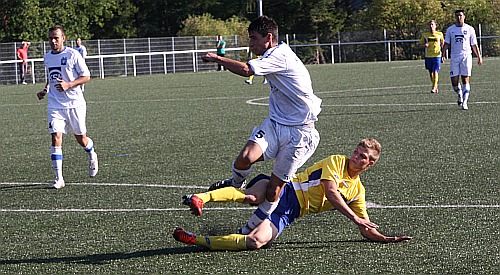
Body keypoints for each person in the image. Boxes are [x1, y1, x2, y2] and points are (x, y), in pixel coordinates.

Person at [173, 138, 412, 251]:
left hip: (290, 212)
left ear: (369, 164)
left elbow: (365, 227)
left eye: (361, 156)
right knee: (252, 197)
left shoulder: (357, 191)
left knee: (256, 241)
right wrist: (355, 218)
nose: (355, 157)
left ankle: (196, 240)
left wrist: (385, 238)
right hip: (285, 187)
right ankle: (201, 198)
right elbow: (330, 192)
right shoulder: (337, 161)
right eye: (356, 152)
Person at [200, 16, 322, 224]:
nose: (251, 43)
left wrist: (218, 59)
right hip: (276, 124)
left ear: (268, 38)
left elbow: (247, 70)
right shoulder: (272, 53)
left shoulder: (280, 55)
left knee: (274, 190)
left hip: (300, 133)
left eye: (254, 38)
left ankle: (254, 227)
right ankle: (235, 184)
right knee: (245, 157)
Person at [36, 25, 98, 189]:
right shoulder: (47, 57)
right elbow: (52, 76)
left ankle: (91, 154)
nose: (53, 41)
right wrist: (45, 90)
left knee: (81, 139)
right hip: (55, 105)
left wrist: (69, 84)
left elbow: (86, 76)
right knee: (56, 137)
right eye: (50, 38)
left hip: (74, 104)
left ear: (63, 38)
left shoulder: (73, 54)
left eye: (56, 37)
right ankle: (59, 179)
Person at [442, 9, 483, 110]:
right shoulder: (450, 30)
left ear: (464, 17)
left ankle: (465, 102)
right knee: (454, 82)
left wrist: (479, 56)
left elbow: (474, 44)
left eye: (460, 15)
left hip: (466, 56)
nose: (459, 17)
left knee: (465, 79)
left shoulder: (470, 29)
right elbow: (447, 43)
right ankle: (459, 93)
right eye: (457, 16)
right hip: (454, 57)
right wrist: (442, 54)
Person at [419, 20, 444, 94]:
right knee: (430, 72)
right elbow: (420, 44)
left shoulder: (440, 34)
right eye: (430, 25)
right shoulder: (425, 35)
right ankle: (435, 86)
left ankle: (434, 87)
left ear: (435, 26)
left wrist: (443, 55)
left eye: (432, 24)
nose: (431, 26)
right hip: (428, 56)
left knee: (435, 71)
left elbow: (443, 44)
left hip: (437, 55)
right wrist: (424, 45)